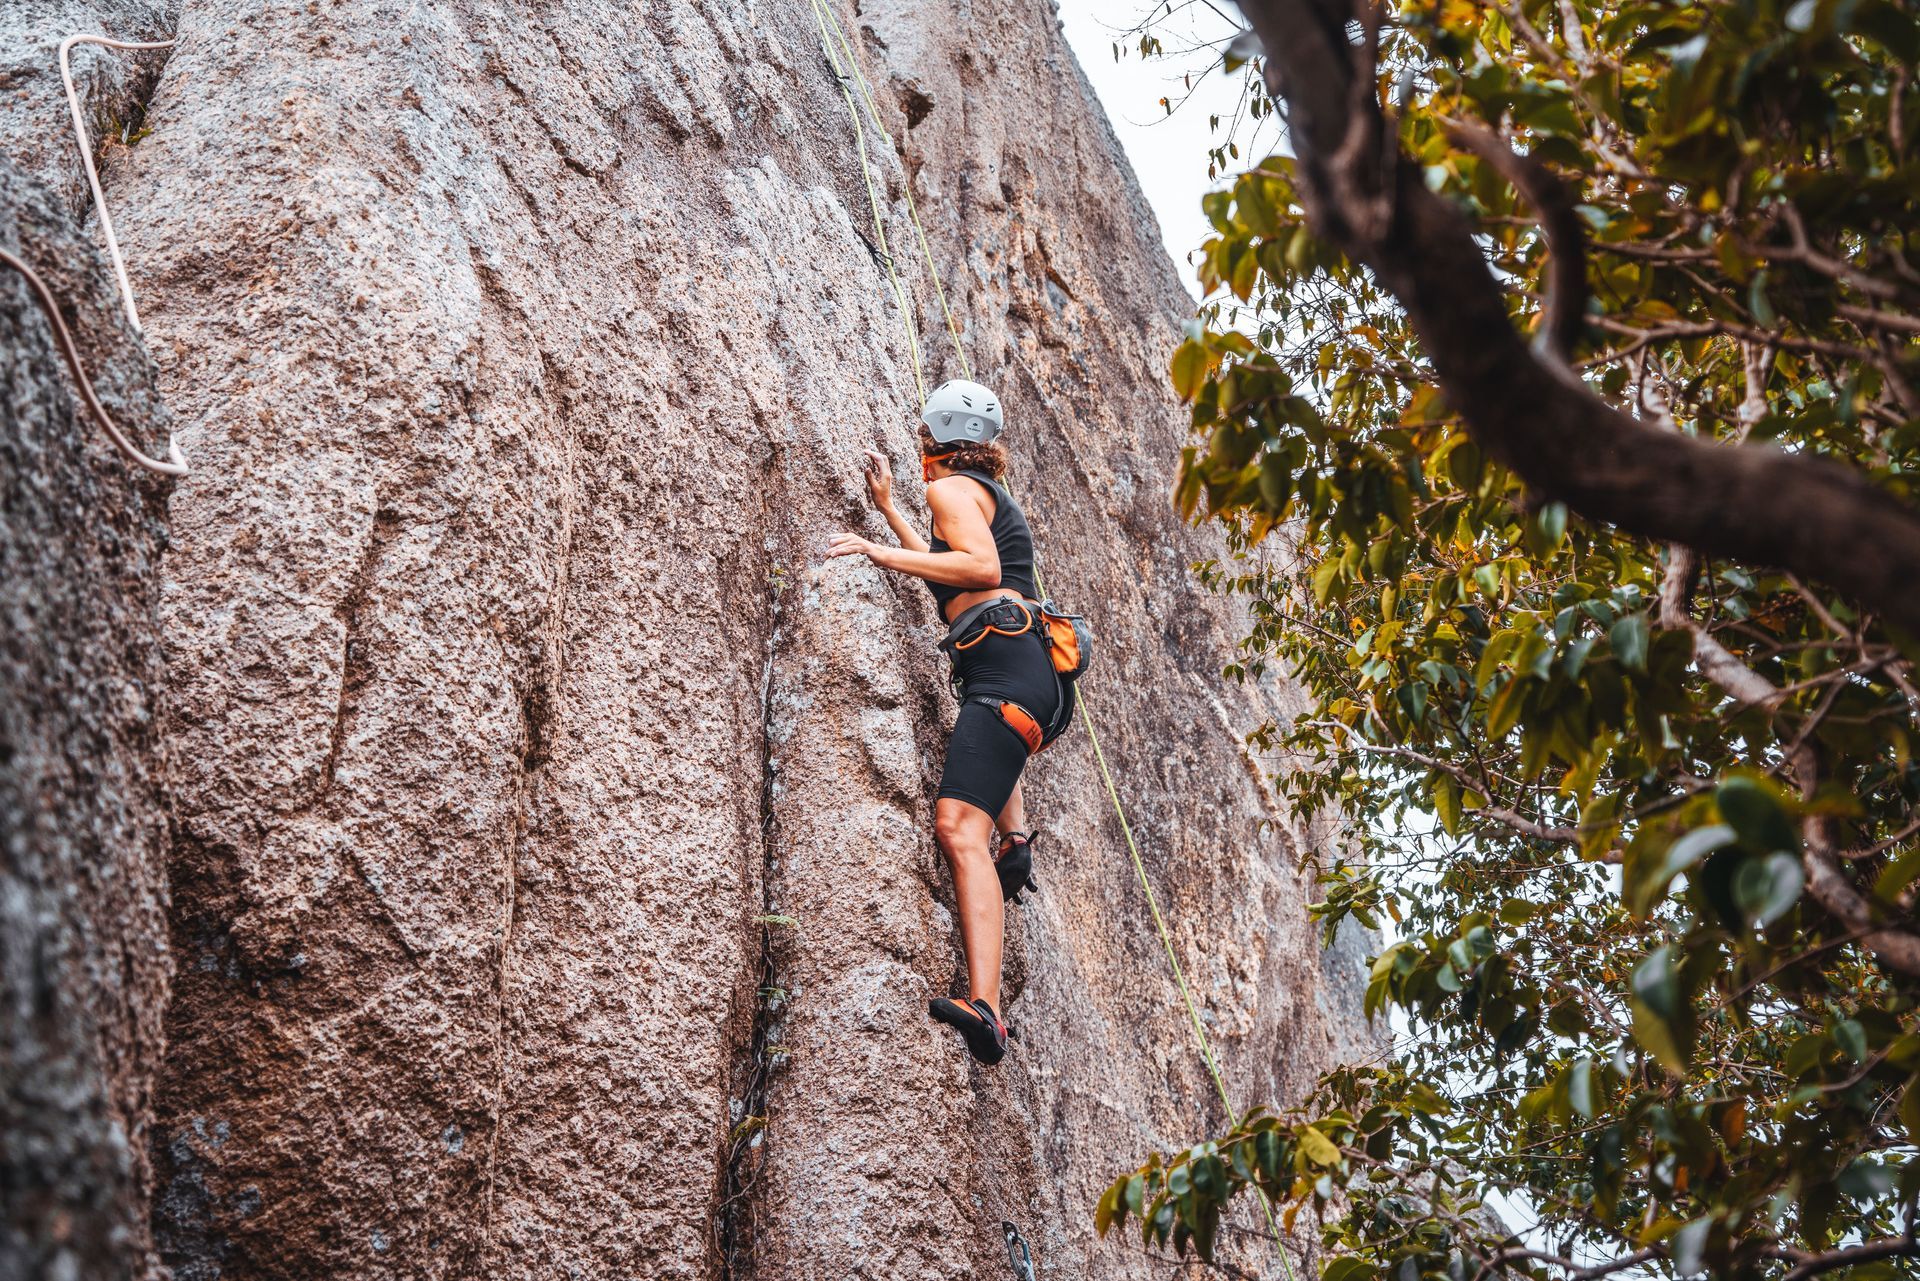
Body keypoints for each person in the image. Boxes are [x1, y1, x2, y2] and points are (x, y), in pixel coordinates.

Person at [826, 380, 1070, 1066]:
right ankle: (1014, 839)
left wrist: (877, 549)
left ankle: (985, 1006)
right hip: (1019, 673)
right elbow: (952, 578)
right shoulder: (973, 496)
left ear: (933, 437)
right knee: (983, 754)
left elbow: (977, 565)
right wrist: (891, 514)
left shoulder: (952, 490)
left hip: (1005, 671)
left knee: (958, 824)